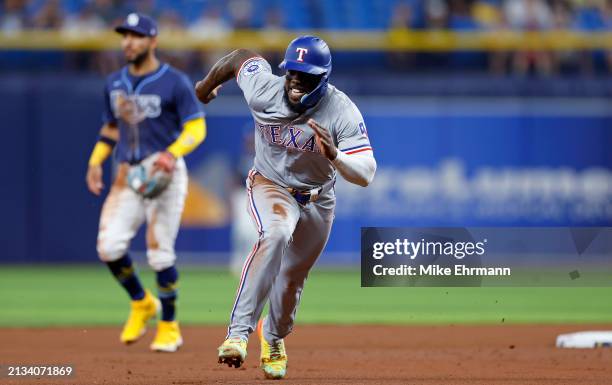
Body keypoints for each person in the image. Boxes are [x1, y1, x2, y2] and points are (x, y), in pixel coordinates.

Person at [195, 35, 376, 379]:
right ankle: (237, 334)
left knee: (292, 278)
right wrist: (205, 87)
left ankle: (273, 338)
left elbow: (366, 172)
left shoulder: (341, 110)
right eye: (291, 71)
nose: (295, 80)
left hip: (318, 197)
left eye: (305, 74)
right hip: (270, 184)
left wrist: (336, 157)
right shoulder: (264, 88)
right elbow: (240, 57)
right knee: (275, 234)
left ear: (323, 79)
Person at [85, 13, 206, 352]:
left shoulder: (174, 81)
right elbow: (111, 129)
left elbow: (196, 128)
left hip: (165, 174)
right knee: (109, 247)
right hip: (126, 174)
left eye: (137, 36)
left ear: (153, 41)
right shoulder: (114, 83)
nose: (128, 42)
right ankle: (142, 302)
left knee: (160, 253)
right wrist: (95, 160)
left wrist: (173, 153)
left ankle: (169, 326)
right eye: (125, 35)